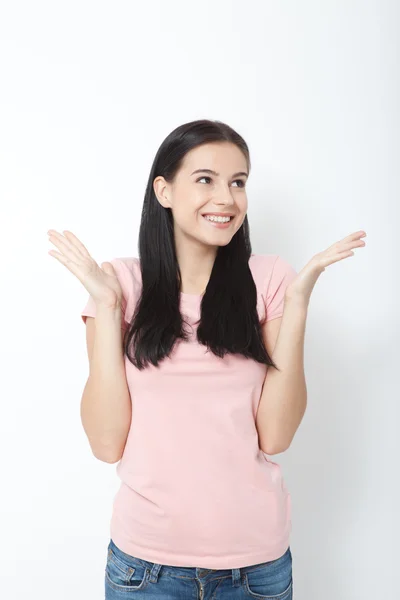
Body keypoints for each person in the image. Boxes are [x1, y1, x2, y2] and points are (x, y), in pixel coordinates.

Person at [48, 119, 366, 599]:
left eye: (238, 182)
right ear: (164, 190)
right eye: (205, 180)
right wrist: (109, 307)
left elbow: (276, 436)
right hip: (144, 569)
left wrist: (297, 306)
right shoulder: (120, 285)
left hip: (254, 570)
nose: (227, 198)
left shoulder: (270, 279)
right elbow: (106, 442)